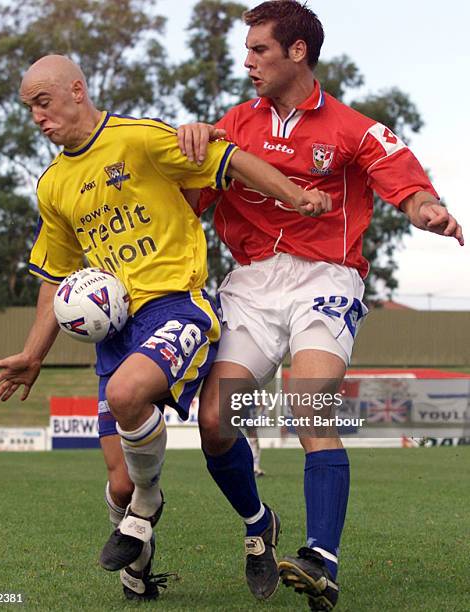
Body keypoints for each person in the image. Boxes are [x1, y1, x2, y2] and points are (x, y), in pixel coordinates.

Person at [0, 54, 332, 603]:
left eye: (43, 104)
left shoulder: (141, 140)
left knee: (132, 402)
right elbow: (54, 276)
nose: (37, 118)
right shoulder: (53, 186)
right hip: (112, 334)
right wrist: (33, 354)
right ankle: (168, 547)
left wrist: (295, 195)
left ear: (78, 90)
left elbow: (231, 158)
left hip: (177, 306)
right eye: (29, 109)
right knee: (119, 484)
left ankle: (152, 507)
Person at [177, 1, 464, 609]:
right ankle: (259, 525)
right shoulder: (231, 126)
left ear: (298, 52)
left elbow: (403, 180)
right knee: (214, 422)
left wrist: (426, 211)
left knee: (308, 407)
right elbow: (182, 203)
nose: (248, 60)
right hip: (250, 284)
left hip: (325, 280)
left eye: (260, 50)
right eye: (248, 49)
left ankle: (322, 561)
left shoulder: (352, 127)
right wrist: (187, 151)